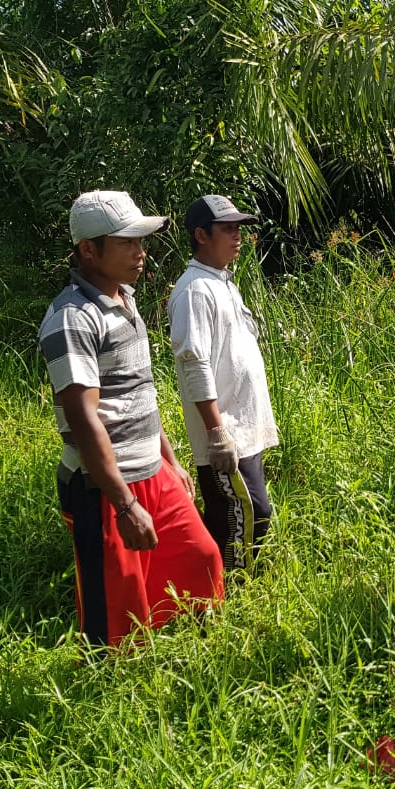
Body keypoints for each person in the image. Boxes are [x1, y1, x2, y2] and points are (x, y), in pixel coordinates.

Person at [39, 190, 224, 647]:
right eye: (126, 242)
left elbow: (139, 392)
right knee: (117, 614)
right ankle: (114, 690)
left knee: (202, 560)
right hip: (102, 486)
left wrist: (170, 461)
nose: (140, 252)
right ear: (88, 250)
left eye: (141, 241)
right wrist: (123, 503)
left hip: (152, 470)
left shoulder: (127, 300)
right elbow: (84, 421)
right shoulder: (71, 319)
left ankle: (198, 659)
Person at [169, 194, 279, 578]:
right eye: (226, 229)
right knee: (244, 516)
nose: (236, 237)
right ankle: (229, 592)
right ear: (200, 235)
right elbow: (194, 362)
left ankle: (222, 588)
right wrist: (216, 433)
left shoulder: (222, 282)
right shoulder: (194, 290)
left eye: (238, 228)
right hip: (226, 432)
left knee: (245, 514)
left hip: (243, 429)